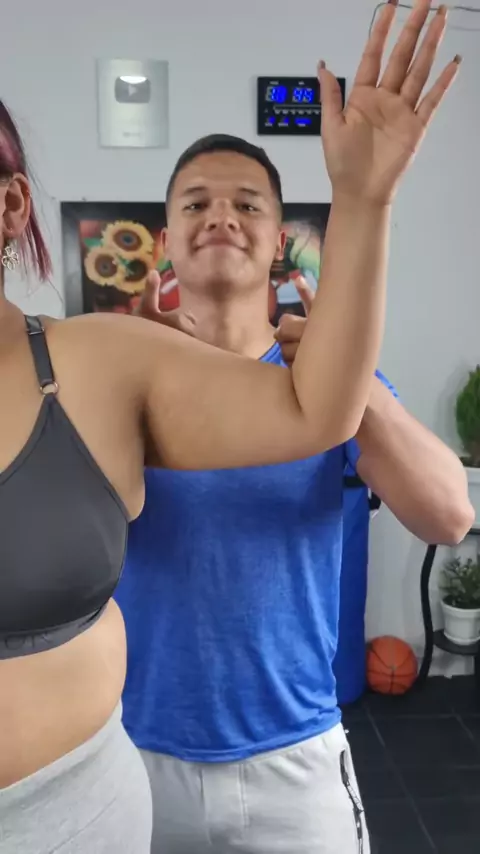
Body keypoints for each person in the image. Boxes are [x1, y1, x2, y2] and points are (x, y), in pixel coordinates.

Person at [0, 2, 463, 852]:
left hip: (296, 753)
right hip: (136, 749)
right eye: (197, 203)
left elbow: (449, 515)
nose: (222, 216)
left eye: (248, 204)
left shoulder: (331, 388)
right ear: (166, 241)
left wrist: (356, 392)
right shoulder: (107, 386)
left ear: (279, 241)